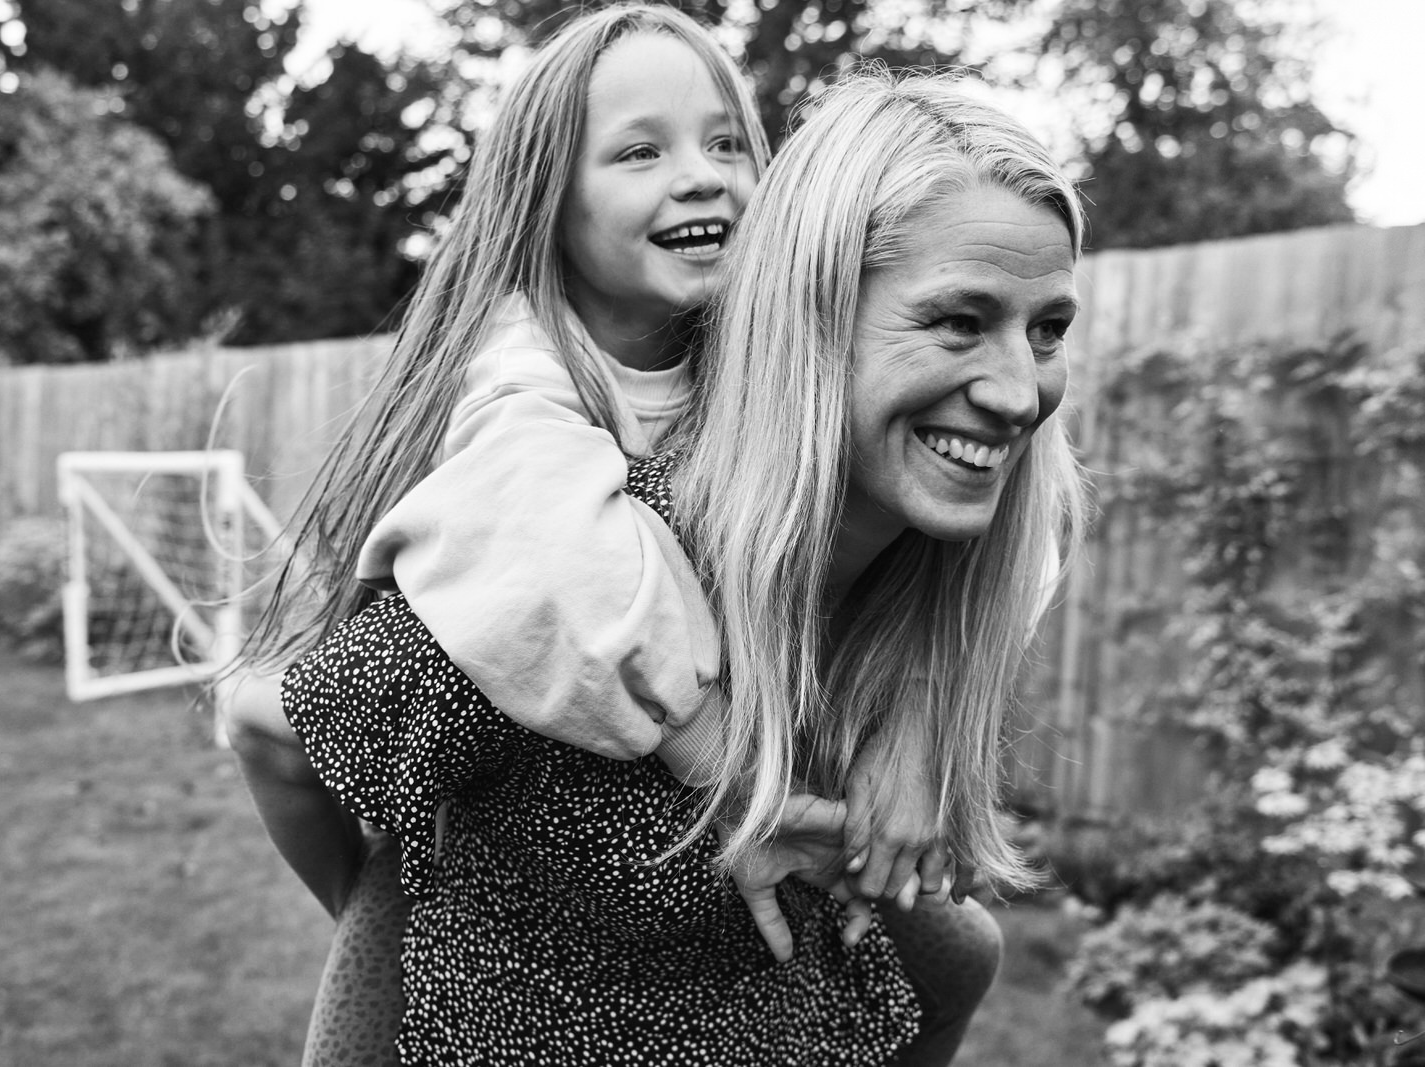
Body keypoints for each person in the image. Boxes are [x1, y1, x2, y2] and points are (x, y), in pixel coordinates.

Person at [279, 68, 1092, 1064]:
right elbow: (281, 729)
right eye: (957, 321)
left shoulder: (939, 586)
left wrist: (919, 722)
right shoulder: (583, 572)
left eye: (1047, 329)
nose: (1019, 394)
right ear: (811, 313)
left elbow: (1033, 540)